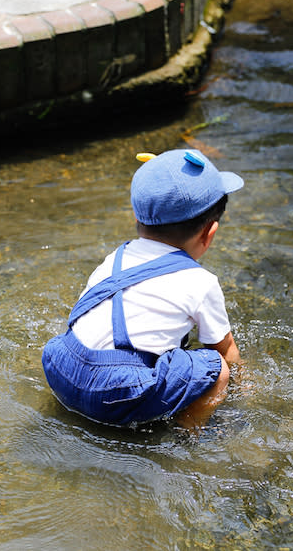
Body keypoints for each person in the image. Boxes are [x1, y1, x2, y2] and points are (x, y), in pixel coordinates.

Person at [41, 148, 243, 429]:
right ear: (210, 234)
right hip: (116, 393)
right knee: (217, 368)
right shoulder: (201, 282)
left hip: (61, 369)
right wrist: (247, 387)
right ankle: (188, 435)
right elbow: (226, 351)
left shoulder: (115, 258)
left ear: (137, 217)